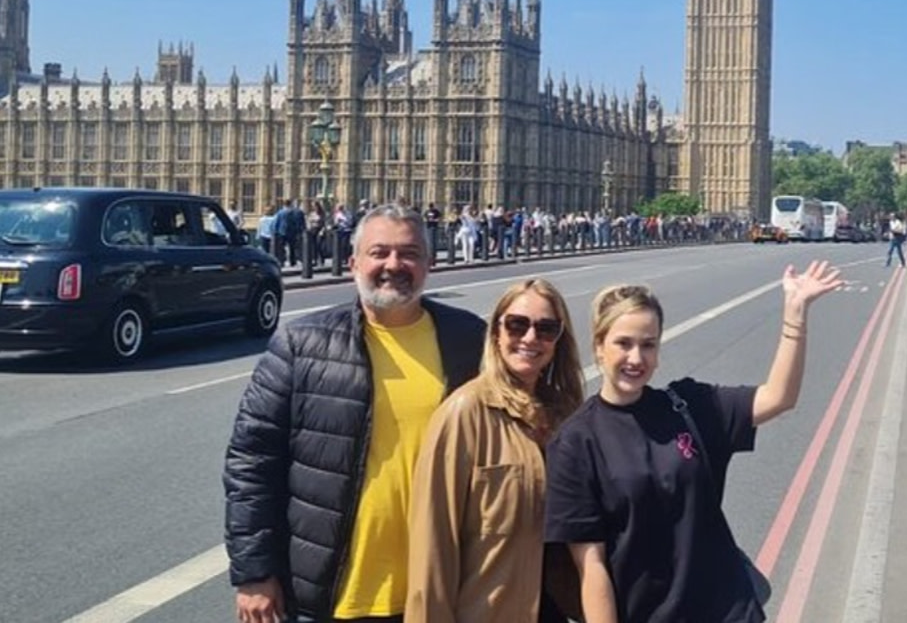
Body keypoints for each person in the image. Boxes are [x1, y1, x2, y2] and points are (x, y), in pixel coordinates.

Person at [223, 204, 487, 623]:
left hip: (438, 589)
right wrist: (254, 572)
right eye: (379, 252)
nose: (393, 265)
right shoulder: (301, 342)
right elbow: (251, 462)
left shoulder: (471, 340)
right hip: (328, 592)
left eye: (409, 254)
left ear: (430, 263)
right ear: (353, 264)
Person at [545, 261, 844, 623]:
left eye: (648, 345)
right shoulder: (576, 442)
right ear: (599, 346)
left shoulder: (689, 405)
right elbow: (591, 567)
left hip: (728, 612)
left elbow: (779, 397)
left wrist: (795, 315)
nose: (636, 358)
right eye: (623, 343)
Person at [405, 279, 584, 623]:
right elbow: (433, 542)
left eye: (546, 329)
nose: (530, 338)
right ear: (497, 333)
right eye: (517, 324)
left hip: (555, 609)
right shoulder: (465, 413)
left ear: (559, 340)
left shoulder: (567, 414)